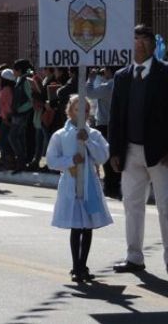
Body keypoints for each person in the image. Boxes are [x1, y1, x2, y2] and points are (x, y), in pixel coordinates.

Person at [109, 25, 168, 274]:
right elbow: (115, 115)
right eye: (135, 39)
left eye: (144, 40)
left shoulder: (165, 73)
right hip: (130, 150)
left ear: (153, 45)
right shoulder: (122, 76)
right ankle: (134, 257)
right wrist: (115, 151)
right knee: (132, 205)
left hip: (161, 154)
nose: (139, 44)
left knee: (166, 208)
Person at [47, 95, 113, 282]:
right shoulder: (60, 135)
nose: (81, 113)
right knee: (76, 227)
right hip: (71, 184)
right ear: (70, 111)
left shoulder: (94, 134)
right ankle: (76, 266)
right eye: (77, 109)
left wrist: (88, 141)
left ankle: (83, 264)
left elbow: (103, 156)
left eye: (84, 110)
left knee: (87, 227)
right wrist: (70, 160)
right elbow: (52, 160)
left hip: (90, 183)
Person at [87, 67, 117, 198]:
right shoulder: (122, 83)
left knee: (106, 156)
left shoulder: (109, 85)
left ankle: (110, 186)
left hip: (105, 123)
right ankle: (115, 184)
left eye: (105, 70)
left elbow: (89, 93)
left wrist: (91, 79)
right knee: (115, 155)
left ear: (110, 71)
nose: (103, 73)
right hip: (117, 123)